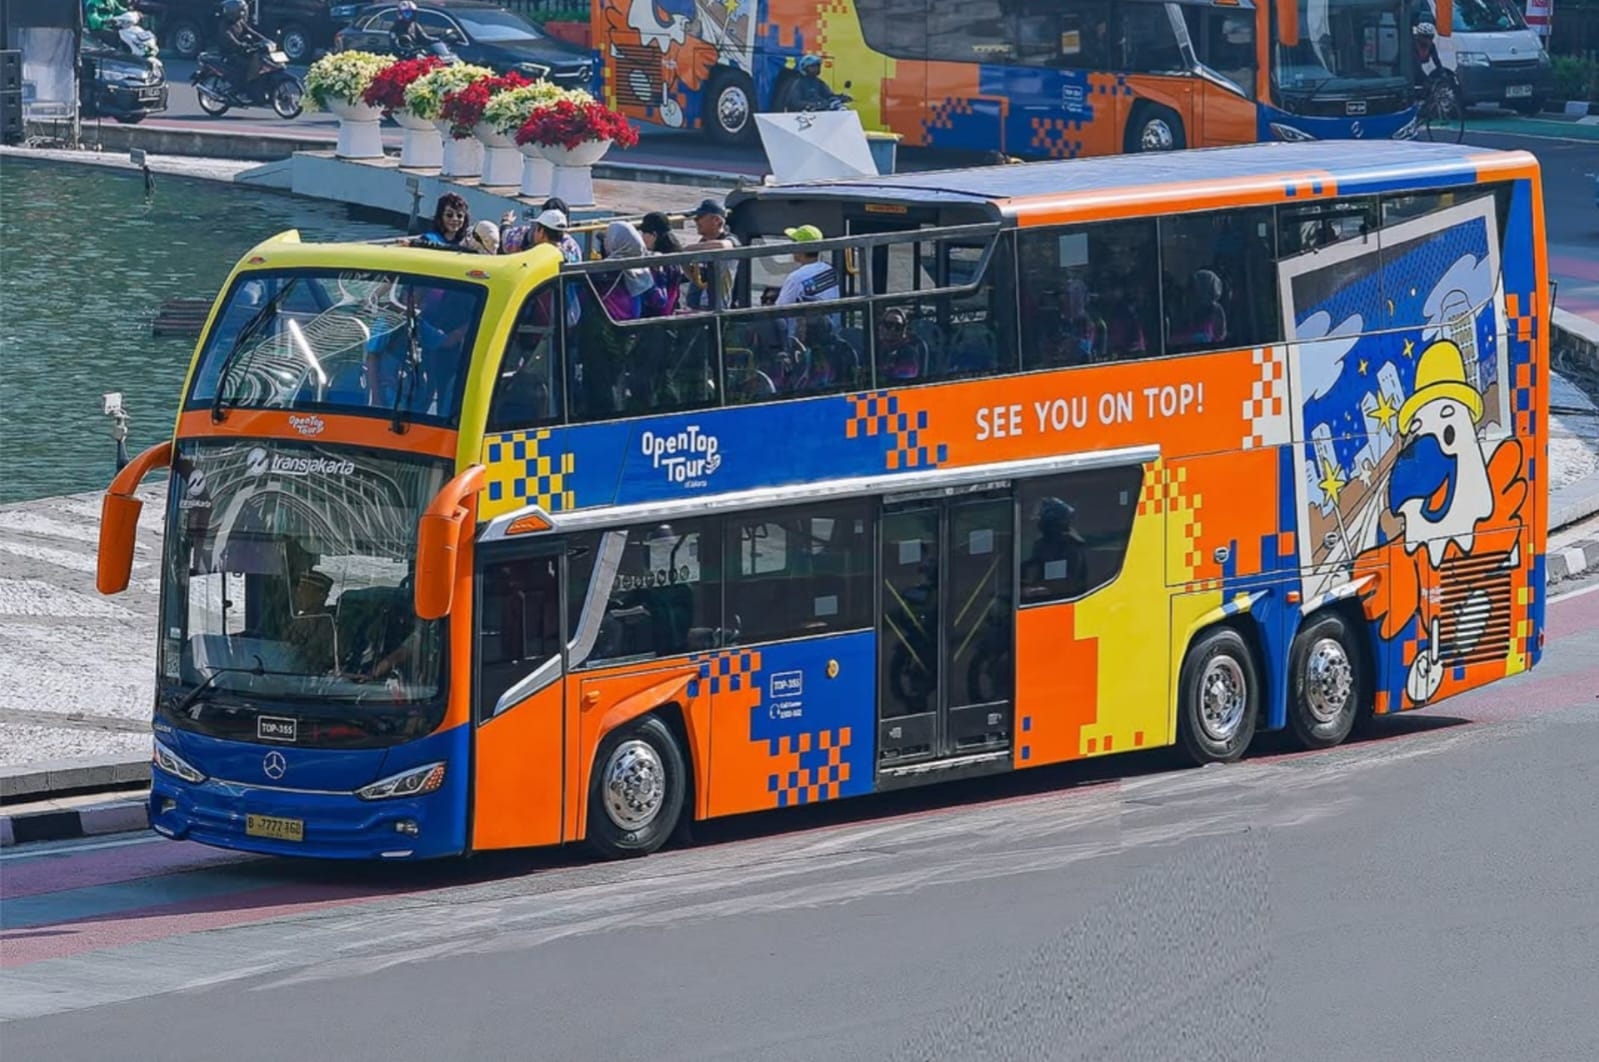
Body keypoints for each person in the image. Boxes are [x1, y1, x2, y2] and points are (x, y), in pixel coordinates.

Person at [1021, 498, 1089, 599]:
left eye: (1051, 525)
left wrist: (1044, 590)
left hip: (1063, 598)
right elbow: (1033, 568)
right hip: (1040, 596)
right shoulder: (1041, 544)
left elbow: (1071, 582)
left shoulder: (1072, 547)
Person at [681, 198, 739, 310]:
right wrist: (685, 263)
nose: (696, 221)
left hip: (716, 309)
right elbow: (693, 277)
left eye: (699, 217)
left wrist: (688, 249)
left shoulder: (731, 239)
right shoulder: (702, 243)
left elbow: (723, 246)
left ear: (716, 220)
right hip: (695, 306)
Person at [283, 570, 337, 673]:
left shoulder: (328, 622)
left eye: (305, 590)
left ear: (321, 596)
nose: (299, 594)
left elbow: (324, 654)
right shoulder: (297, 619)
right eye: (299, 589)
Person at [639, 211, 688, 317]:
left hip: (657, 314)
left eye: (644, 233)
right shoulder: (676, 254)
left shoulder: (657, 261)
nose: (641, 237)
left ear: (654, 235)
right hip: (671, 310)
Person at [217, 0, 270, 96]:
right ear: (232, 11)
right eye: (240, 11)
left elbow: (251, 32)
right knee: (248, 63)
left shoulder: (239, 22)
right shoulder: (224, 25)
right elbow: (230, 39)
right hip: (230, 54)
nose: (242, 13)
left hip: (240, 50)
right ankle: (244, 86)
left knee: (261, 58)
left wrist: (266, 40)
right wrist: (241, 45)